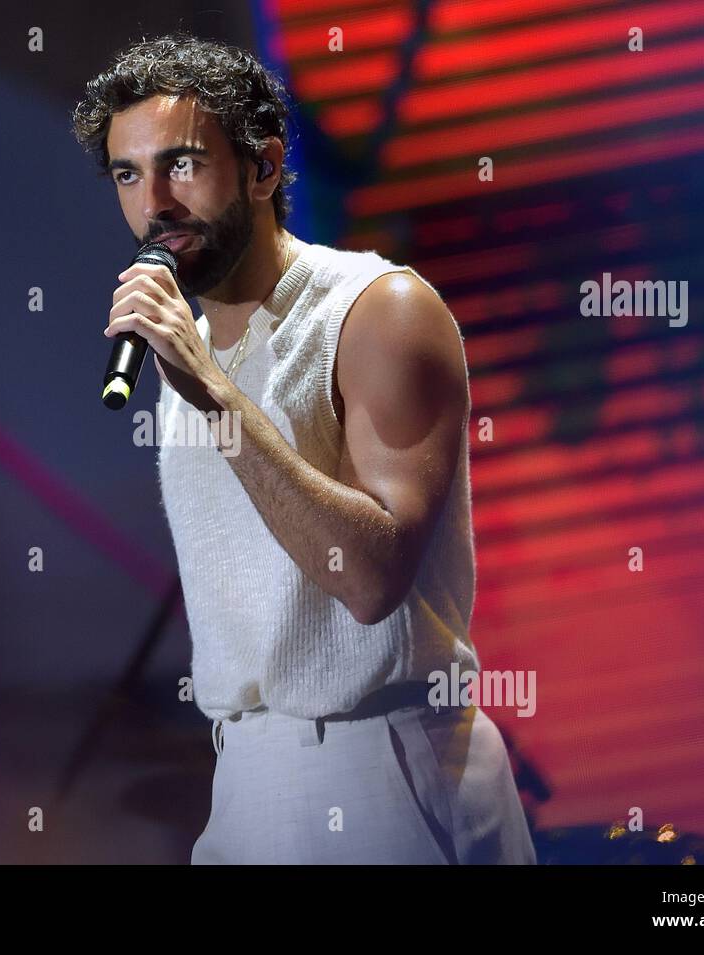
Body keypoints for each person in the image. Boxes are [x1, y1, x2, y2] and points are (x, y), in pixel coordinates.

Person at [73, 31, 536, 864]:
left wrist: (215, 394)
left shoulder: (376, 310)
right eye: (128, 174)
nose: (155, 204)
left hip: (382, 759)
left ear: (264, 167)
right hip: (244, 772)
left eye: (182, 164)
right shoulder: (189, 346)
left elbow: (371, 580)